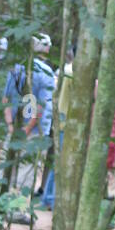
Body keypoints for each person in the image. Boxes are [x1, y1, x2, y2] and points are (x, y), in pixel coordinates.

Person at [1, 32, 57, 193]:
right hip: (33, 131)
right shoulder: (46, 73)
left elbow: (6, 99)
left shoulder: (17, 68)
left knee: (8, 164)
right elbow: (41, 106)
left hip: (16, 126)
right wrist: (27, 128)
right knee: (26, 169)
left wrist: (10, 125)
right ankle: (18, 208)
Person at [41, 45, 74, 210]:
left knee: (57, 162)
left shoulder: (62, 71)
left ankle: (48, 197)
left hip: (58, 120)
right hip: (66, 122)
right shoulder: (72, 72)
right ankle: (53, 200)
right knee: (61, 163)